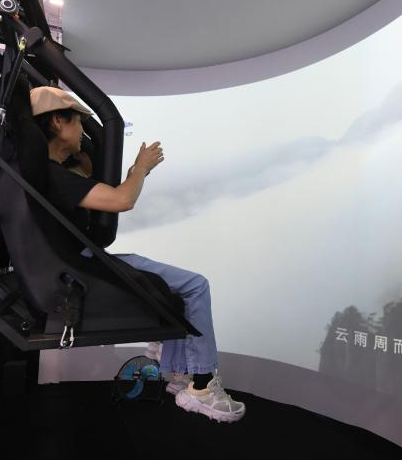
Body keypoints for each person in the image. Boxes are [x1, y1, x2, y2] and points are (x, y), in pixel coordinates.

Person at [29, 85, 245, 423]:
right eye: (78, 122)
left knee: (176, 287)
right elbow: (122, 200)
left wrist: (113, 166)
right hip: (84, 265)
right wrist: (141, 168)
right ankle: (203, 386)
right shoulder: (55, 176)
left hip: (79, 260)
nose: (83, 130)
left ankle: (179, 374)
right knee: (195, 286)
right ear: (58, 122)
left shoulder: (52, 173)